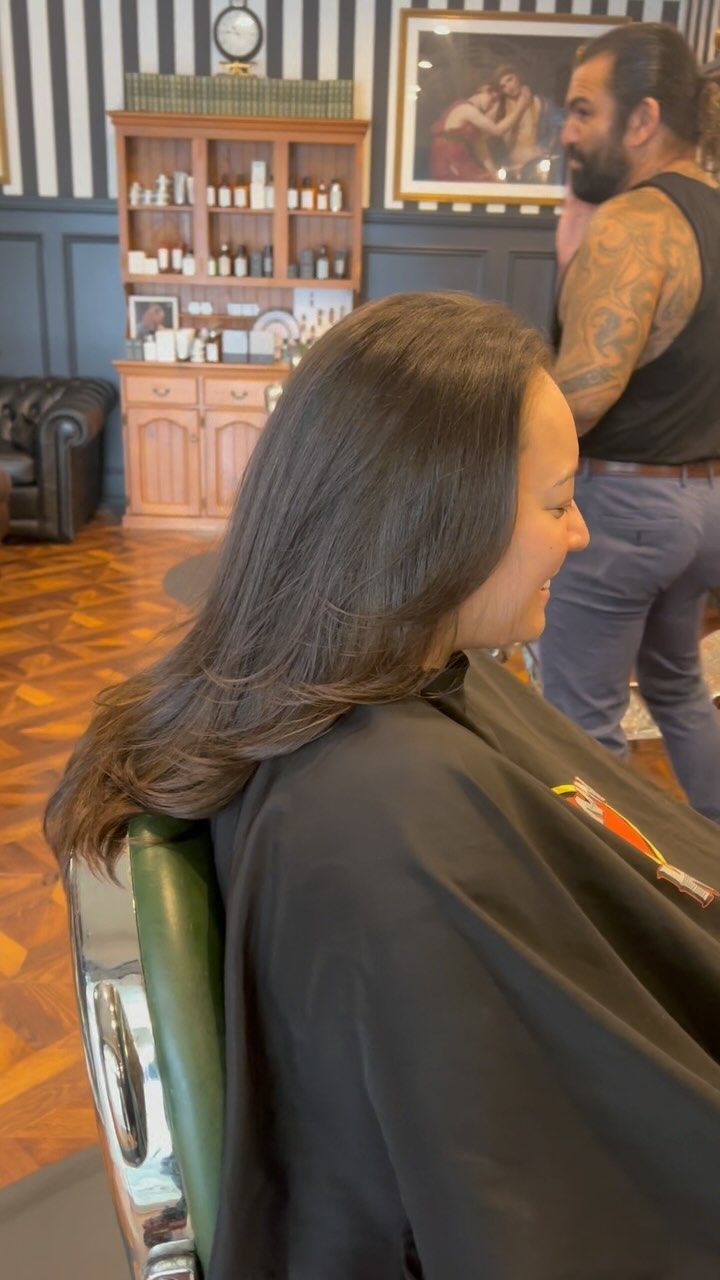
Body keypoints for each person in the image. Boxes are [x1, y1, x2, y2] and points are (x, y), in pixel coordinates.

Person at [46, 293, 720, 1279]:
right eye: (555, 500)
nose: (577, 535)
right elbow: (542, 1197)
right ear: (433, 517)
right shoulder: (385, 823)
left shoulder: (367, 690)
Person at [540, 22, 720, 825]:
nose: (566, 129)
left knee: (579, 726)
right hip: (701, 501)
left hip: (621, 512)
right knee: (679, 688)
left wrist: (576, 261)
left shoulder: (633, 221)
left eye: (582, 109)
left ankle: (602, 909)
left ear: (642, 119)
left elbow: (578, 396)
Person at [428, 81, 531, 182]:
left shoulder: (475, 119)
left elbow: (482, 150)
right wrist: (520, 107)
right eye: (491, 96)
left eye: (495, 102)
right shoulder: (466, 108)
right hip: (448, 158)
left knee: (487, 182)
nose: (493, 104)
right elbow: (497, 130)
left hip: (457, 158)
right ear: (481, 91)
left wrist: (493, 173)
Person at [493, 63, 564, 179]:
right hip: (512, 170)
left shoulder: (538, 102)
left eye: (510, 79)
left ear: (518, 77)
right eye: (503, 86)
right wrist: (520, 107)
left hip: (538, 166)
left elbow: (558, 125)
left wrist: (546, 147)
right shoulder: (500, 108)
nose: (509, 87)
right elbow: (495, 132)